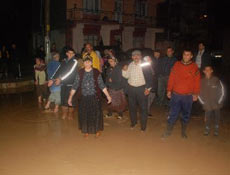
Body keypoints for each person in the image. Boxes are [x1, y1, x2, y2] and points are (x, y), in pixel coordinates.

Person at [68, 55, 112, 138]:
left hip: (94, 97)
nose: (87, 63)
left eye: (88, 62)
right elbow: (75, 86)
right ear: (83, 63)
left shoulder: (96, 72)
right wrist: (70, 97)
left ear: (91, 63)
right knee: (84, 114)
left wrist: (108, 96)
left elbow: (102, 85)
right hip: (83, 97)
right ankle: (86, 130)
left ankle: (97, 130)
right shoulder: (80, 72)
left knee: (96, 114)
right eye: (85, 62)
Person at [162, 49, 200, 139]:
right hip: (176, 95)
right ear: (182, 55)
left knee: (186, 114)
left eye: (188, 55)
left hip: (188, 96)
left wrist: (196, 93)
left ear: (191, 56)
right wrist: (169, 90)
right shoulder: (177, 65)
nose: (186, 56)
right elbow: (172, 78)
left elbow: (197, 82)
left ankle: (183, 132)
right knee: (172, 113)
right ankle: (168, 132)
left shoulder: (195, 67)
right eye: (184, 54)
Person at [122, 50, 153, 132]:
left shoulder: (145, 64)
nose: (136, 57)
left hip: (142, 89)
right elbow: (126, 76)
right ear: (132, 57)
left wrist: (148, 88)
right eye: (134, 55)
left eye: (138, 55)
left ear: (140, 56)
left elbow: (150, 77)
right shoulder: (130, 65)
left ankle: (143, 126)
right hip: (131, 89)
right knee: (132, 107)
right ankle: (133, 122)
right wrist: (124, 70)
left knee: (143, 108)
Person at [48, 48, 78, 120]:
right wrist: (52, 79)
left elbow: (70, 72)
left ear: (74, 54)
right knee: (63, 100)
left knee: (71, 100)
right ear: (66, 53)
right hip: (63, 84)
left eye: (72, 53)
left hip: (72, 84)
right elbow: (58, 70)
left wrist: (60, 79)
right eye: (69, 53)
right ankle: (64, 114)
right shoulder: (63, 61)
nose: (70, 54)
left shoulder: (75, 61)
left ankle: (70, 114)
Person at [198, 66, 224, 136]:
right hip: (207, 103)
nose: (207, 71)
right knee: (207, 117)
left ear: (211, 71)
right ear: (203, 71)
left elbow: (222, 90)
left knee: (217, 116)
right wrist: (203, 102)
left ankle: (216, 129)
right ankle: (207, 128)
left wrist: (219, 101)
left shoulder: (216, 79)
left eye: (209, 69)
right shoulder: (201, 81)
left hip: (216, 103)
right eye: (206, 70)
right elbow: (198, 92)